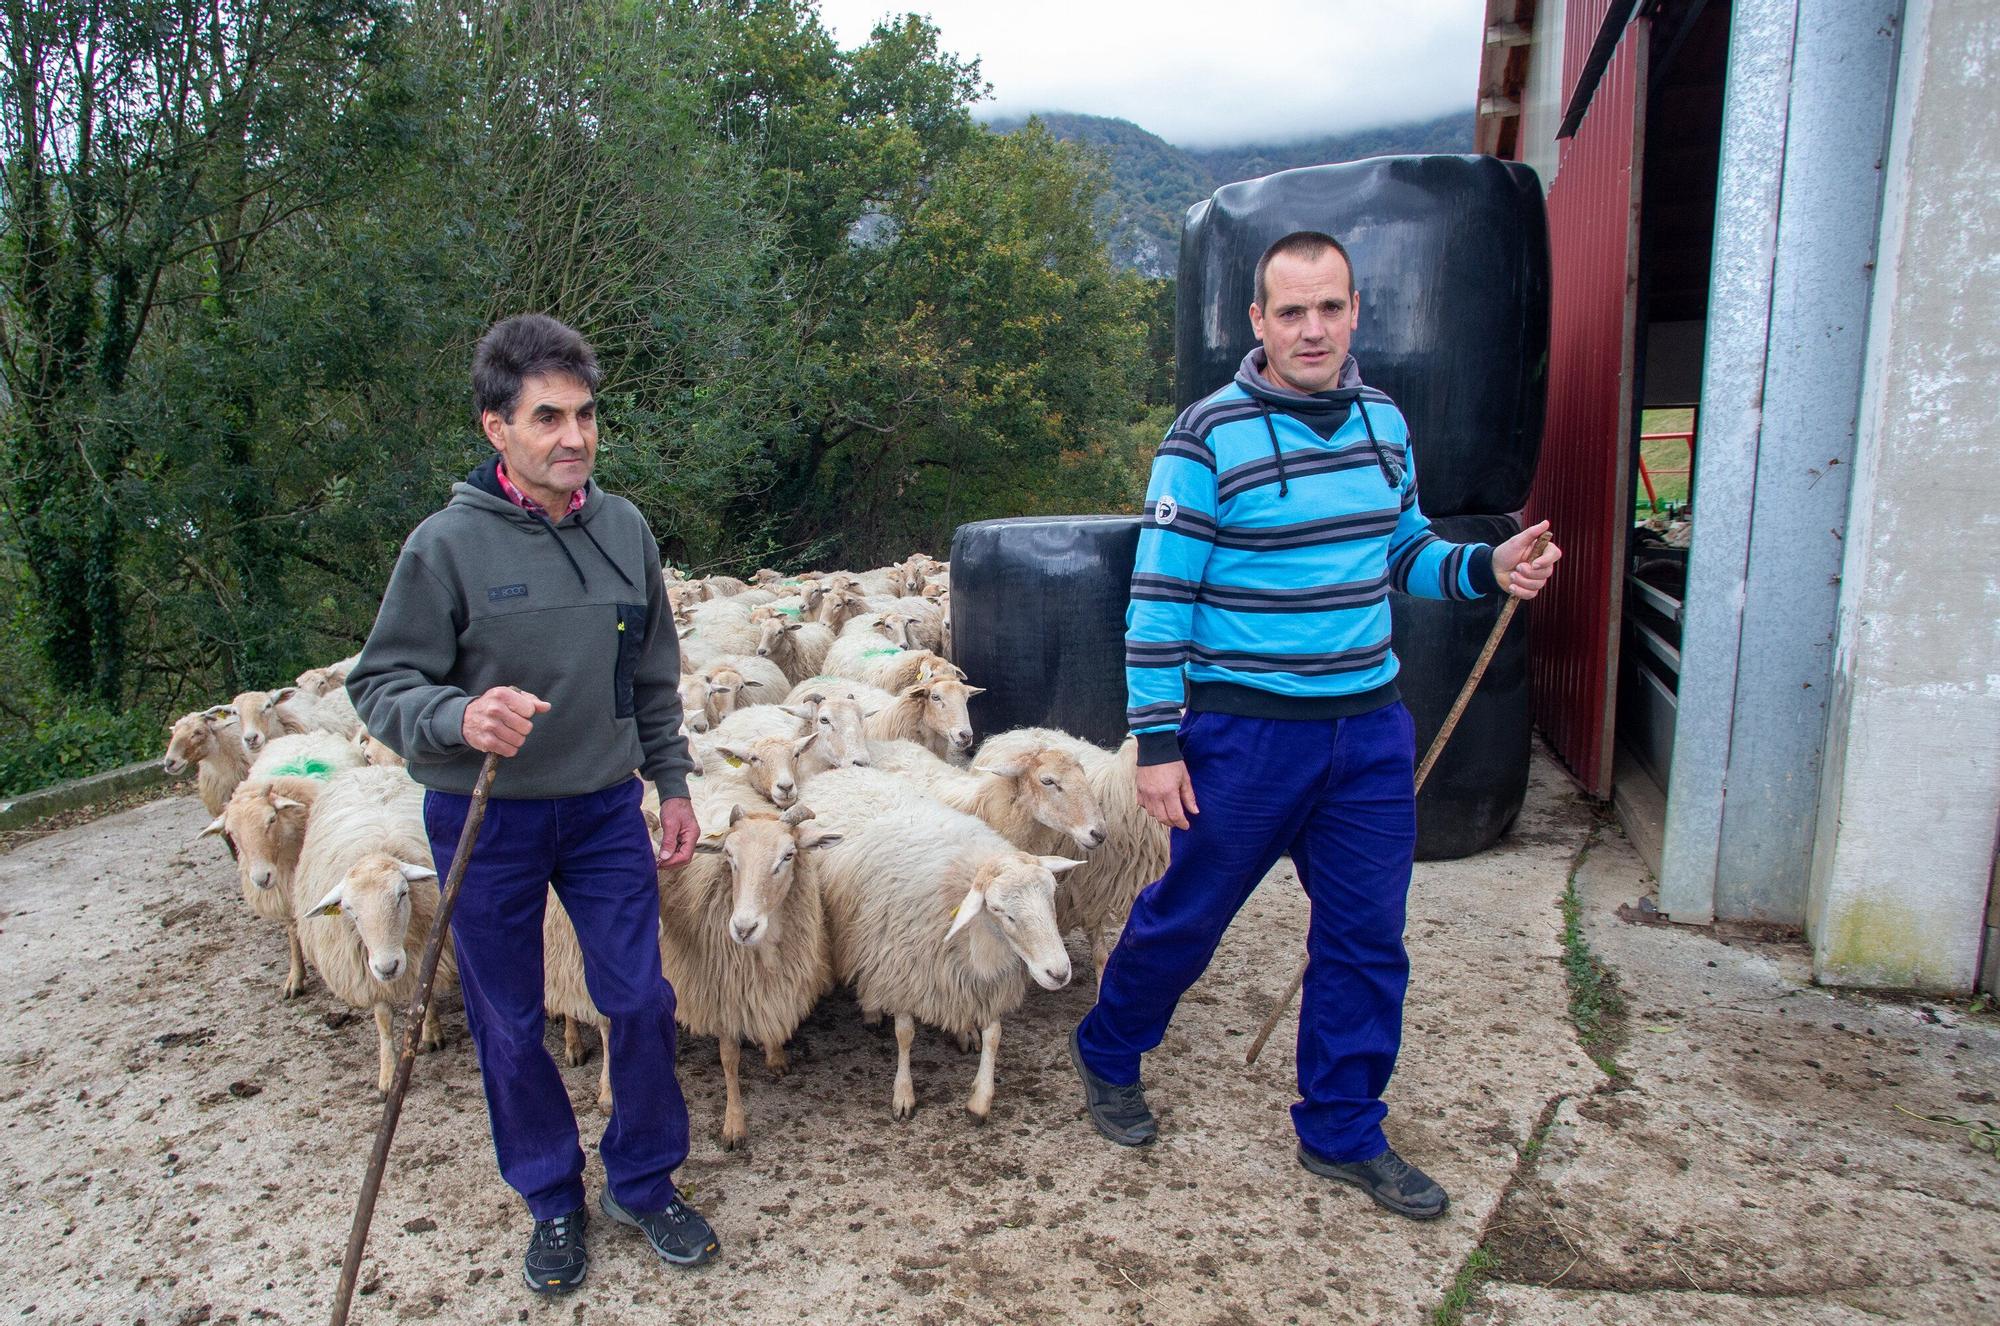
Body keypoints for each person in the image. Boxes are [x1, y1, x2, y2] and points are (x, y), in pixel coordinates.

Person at [1067, 231, 1561, 1220]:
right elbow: (1158, 601)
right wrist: (1158, 745)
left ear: (1353, 312)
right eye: (1289, 311)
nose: (1311, 328)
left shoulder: (1383, 422)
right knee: (1188, 918)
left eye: (1328, 307)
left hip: (1366, 733)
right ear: (1255, 322)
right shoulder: (1204, 438)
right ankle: (1109, 1049)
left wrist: (1485, 571)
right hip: (1241, 740)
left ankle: (1340, 1129)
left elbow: (1406, 553)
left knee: (1366, 940)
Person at [346, 314, 716, 1293]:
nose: (574, 437)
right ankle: (550, 1195)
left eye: (585, 415)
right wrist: (459, 715)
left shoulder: (625, 529)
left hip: (600, 808)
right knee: (507, 1020)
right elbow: (381, 684)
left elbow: (652, 677)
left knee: (639, 998)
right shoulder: (445, 547)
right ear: (495, 428)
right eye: (547, 417)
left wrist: (672, 783)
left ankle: (641, 1179)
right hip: (484, 815)